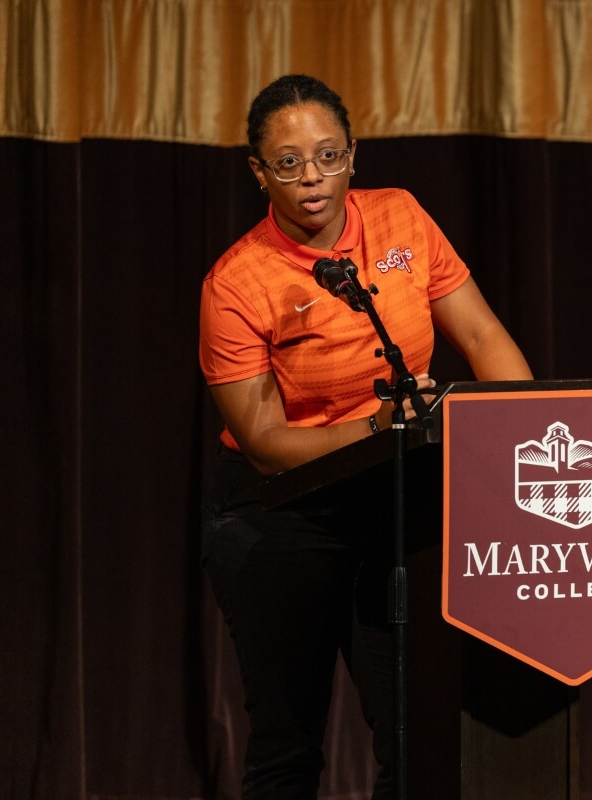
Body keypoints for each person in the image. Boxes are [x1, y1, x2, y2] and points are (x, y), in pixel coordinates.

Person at [198, 74, 532, 799]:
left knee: (415, 734)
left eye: (328, 155)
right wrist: (371, 428)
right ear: (259, 173)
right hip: (278, 512)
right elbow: (262, 439)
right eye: (287, 163)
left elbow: (481, 335)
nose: (312, 178)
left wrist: (519, 434)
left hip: (392, 495)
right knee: (288, 745)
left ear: (355, 156)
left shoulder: (401, 219)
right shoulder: (237, 281)